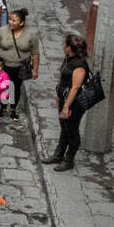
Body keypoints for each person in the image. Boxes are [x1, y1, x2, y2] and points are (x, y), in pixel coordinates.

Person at [43, 34, 90, 172]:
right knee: (64, 127)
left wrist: (66, 106)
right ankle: (58, 155)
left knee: (72, 130)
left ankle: (69, 159)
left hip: (74, 104)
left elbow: (75, 88)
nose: (63, 46)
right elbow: (63, 78)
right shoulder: (68, 58)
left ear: (70, 48)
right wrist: (59, 97)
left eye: (65, 44)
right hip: (64, 99)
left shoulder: (79, 65)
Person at [0, 8, 40, 120]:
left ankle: (13, 109)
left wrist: (35, 69)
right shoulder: (1, 32)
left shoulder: (30, 35)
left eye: (14, 20)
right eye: (10, 19)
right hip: (4, 66)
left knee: (16, 88)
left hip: (20, 67)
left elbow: (35, 53)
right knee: (3, 88)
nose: (10, 22)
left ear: (22, 23)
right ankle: (3, 108)